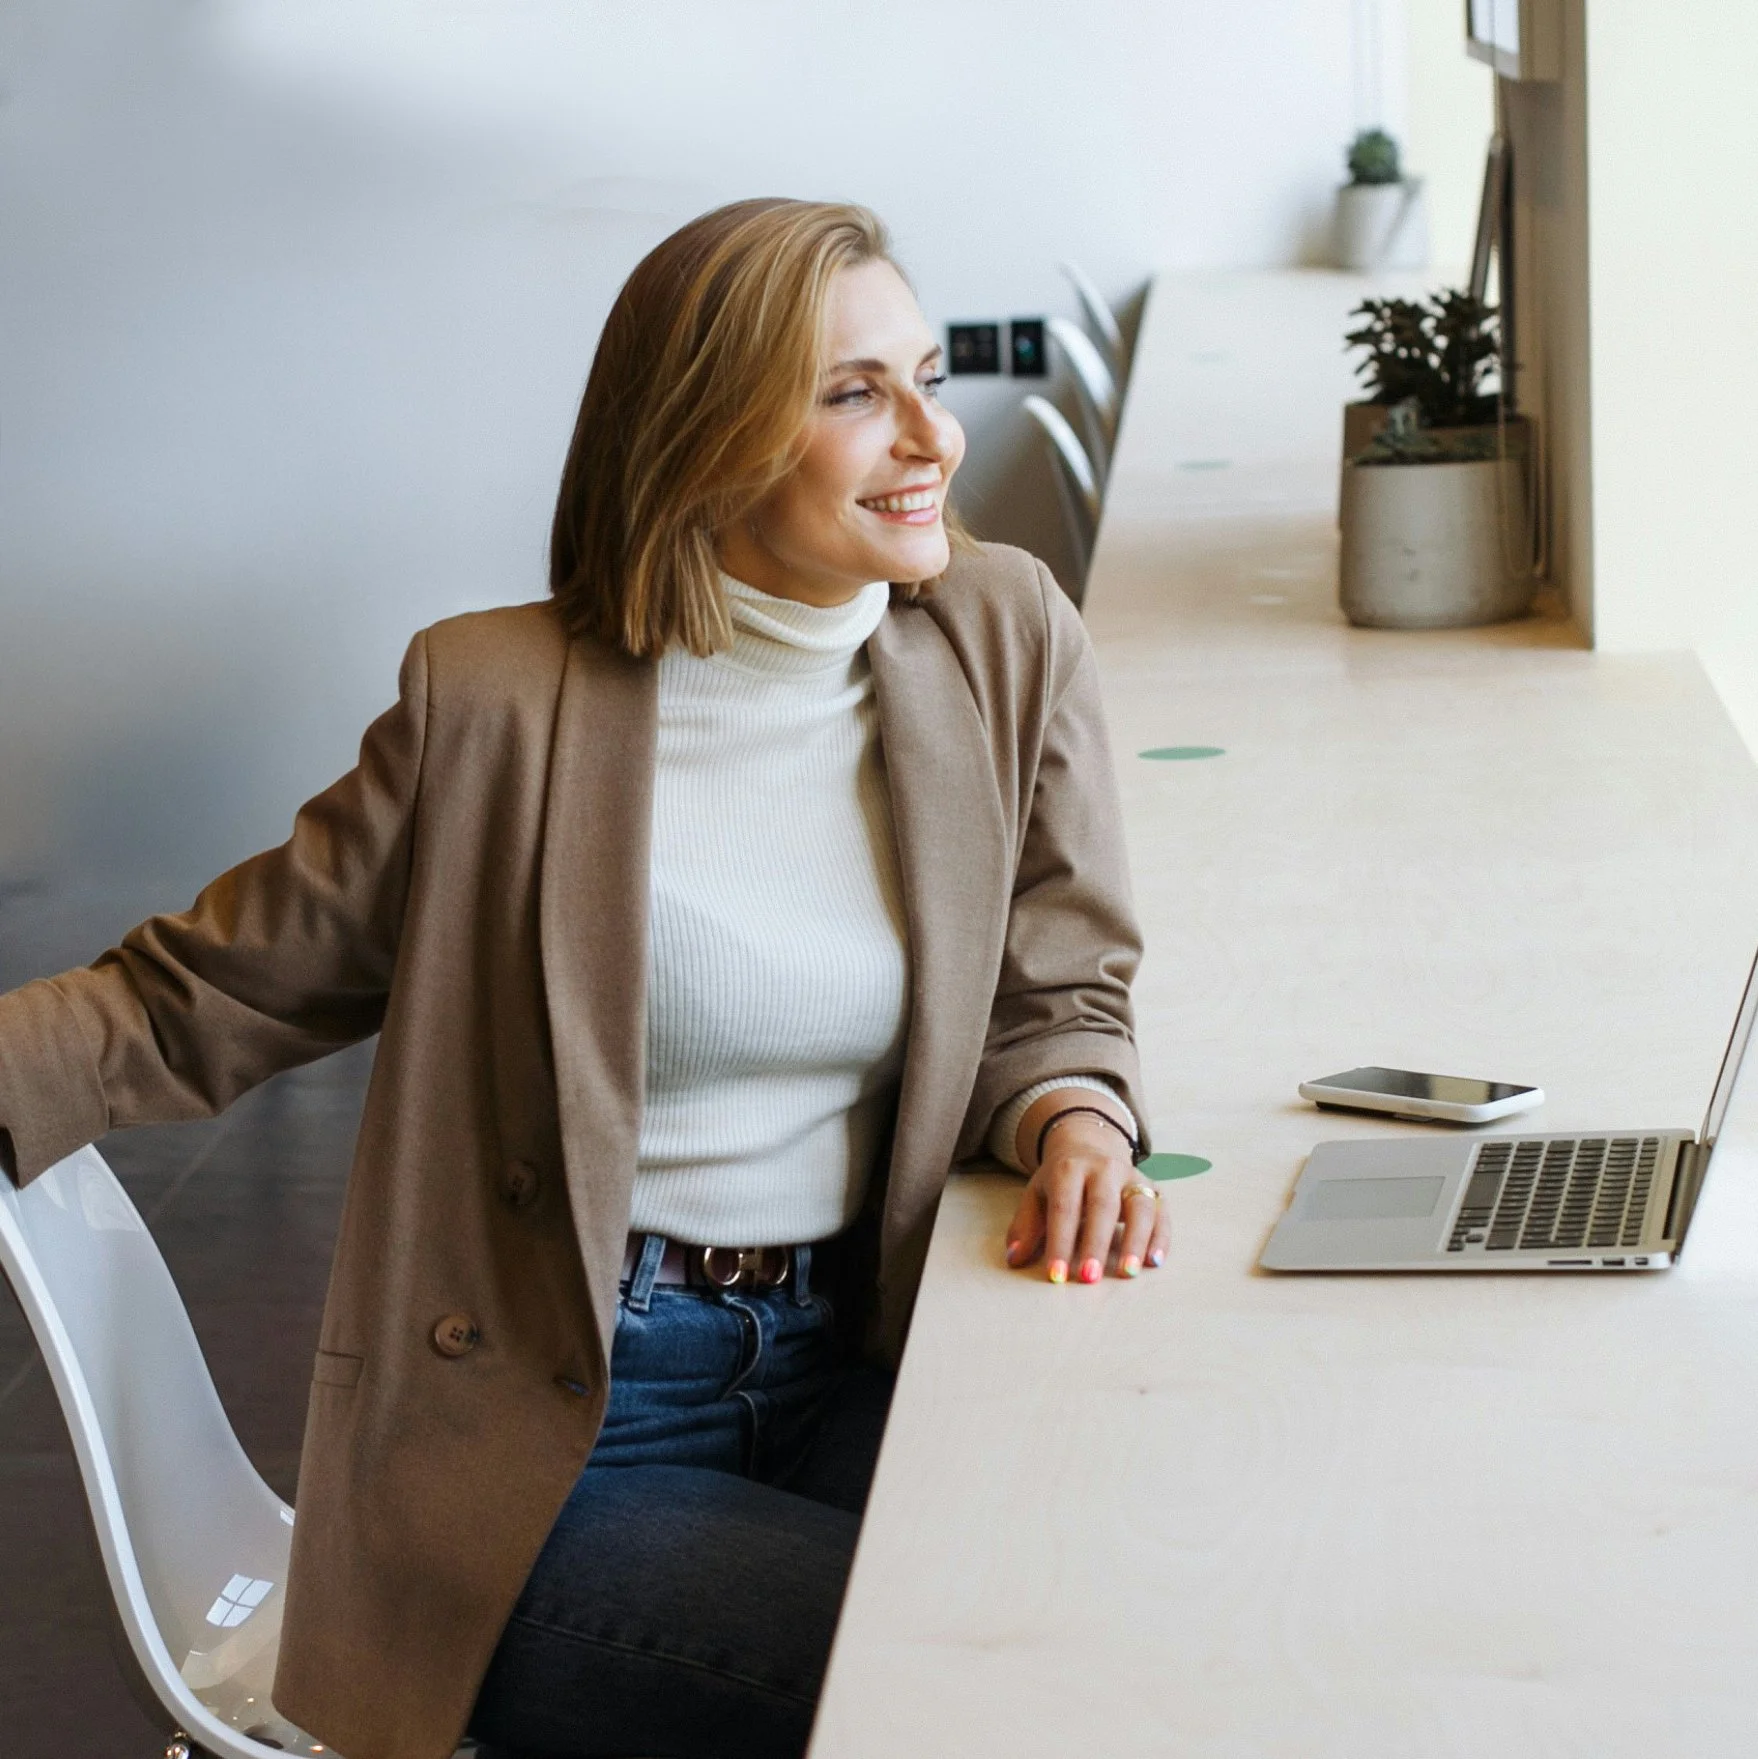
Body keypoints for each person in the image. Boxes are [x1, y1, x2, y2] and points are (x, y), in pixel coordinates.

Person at [0, 198, 1162, 1759]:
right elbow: (197, 999)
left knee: (1104, 1600)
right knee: (959, 1673)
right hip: (563, 1440)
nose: (929, 439)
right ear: (702, 442)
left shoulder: (1001, 635)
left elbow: (1055, 979)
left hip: (872, 1346)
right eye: (849, 393)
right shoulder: (495, 707)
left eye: (927, 378)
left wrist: (1075, 1117)